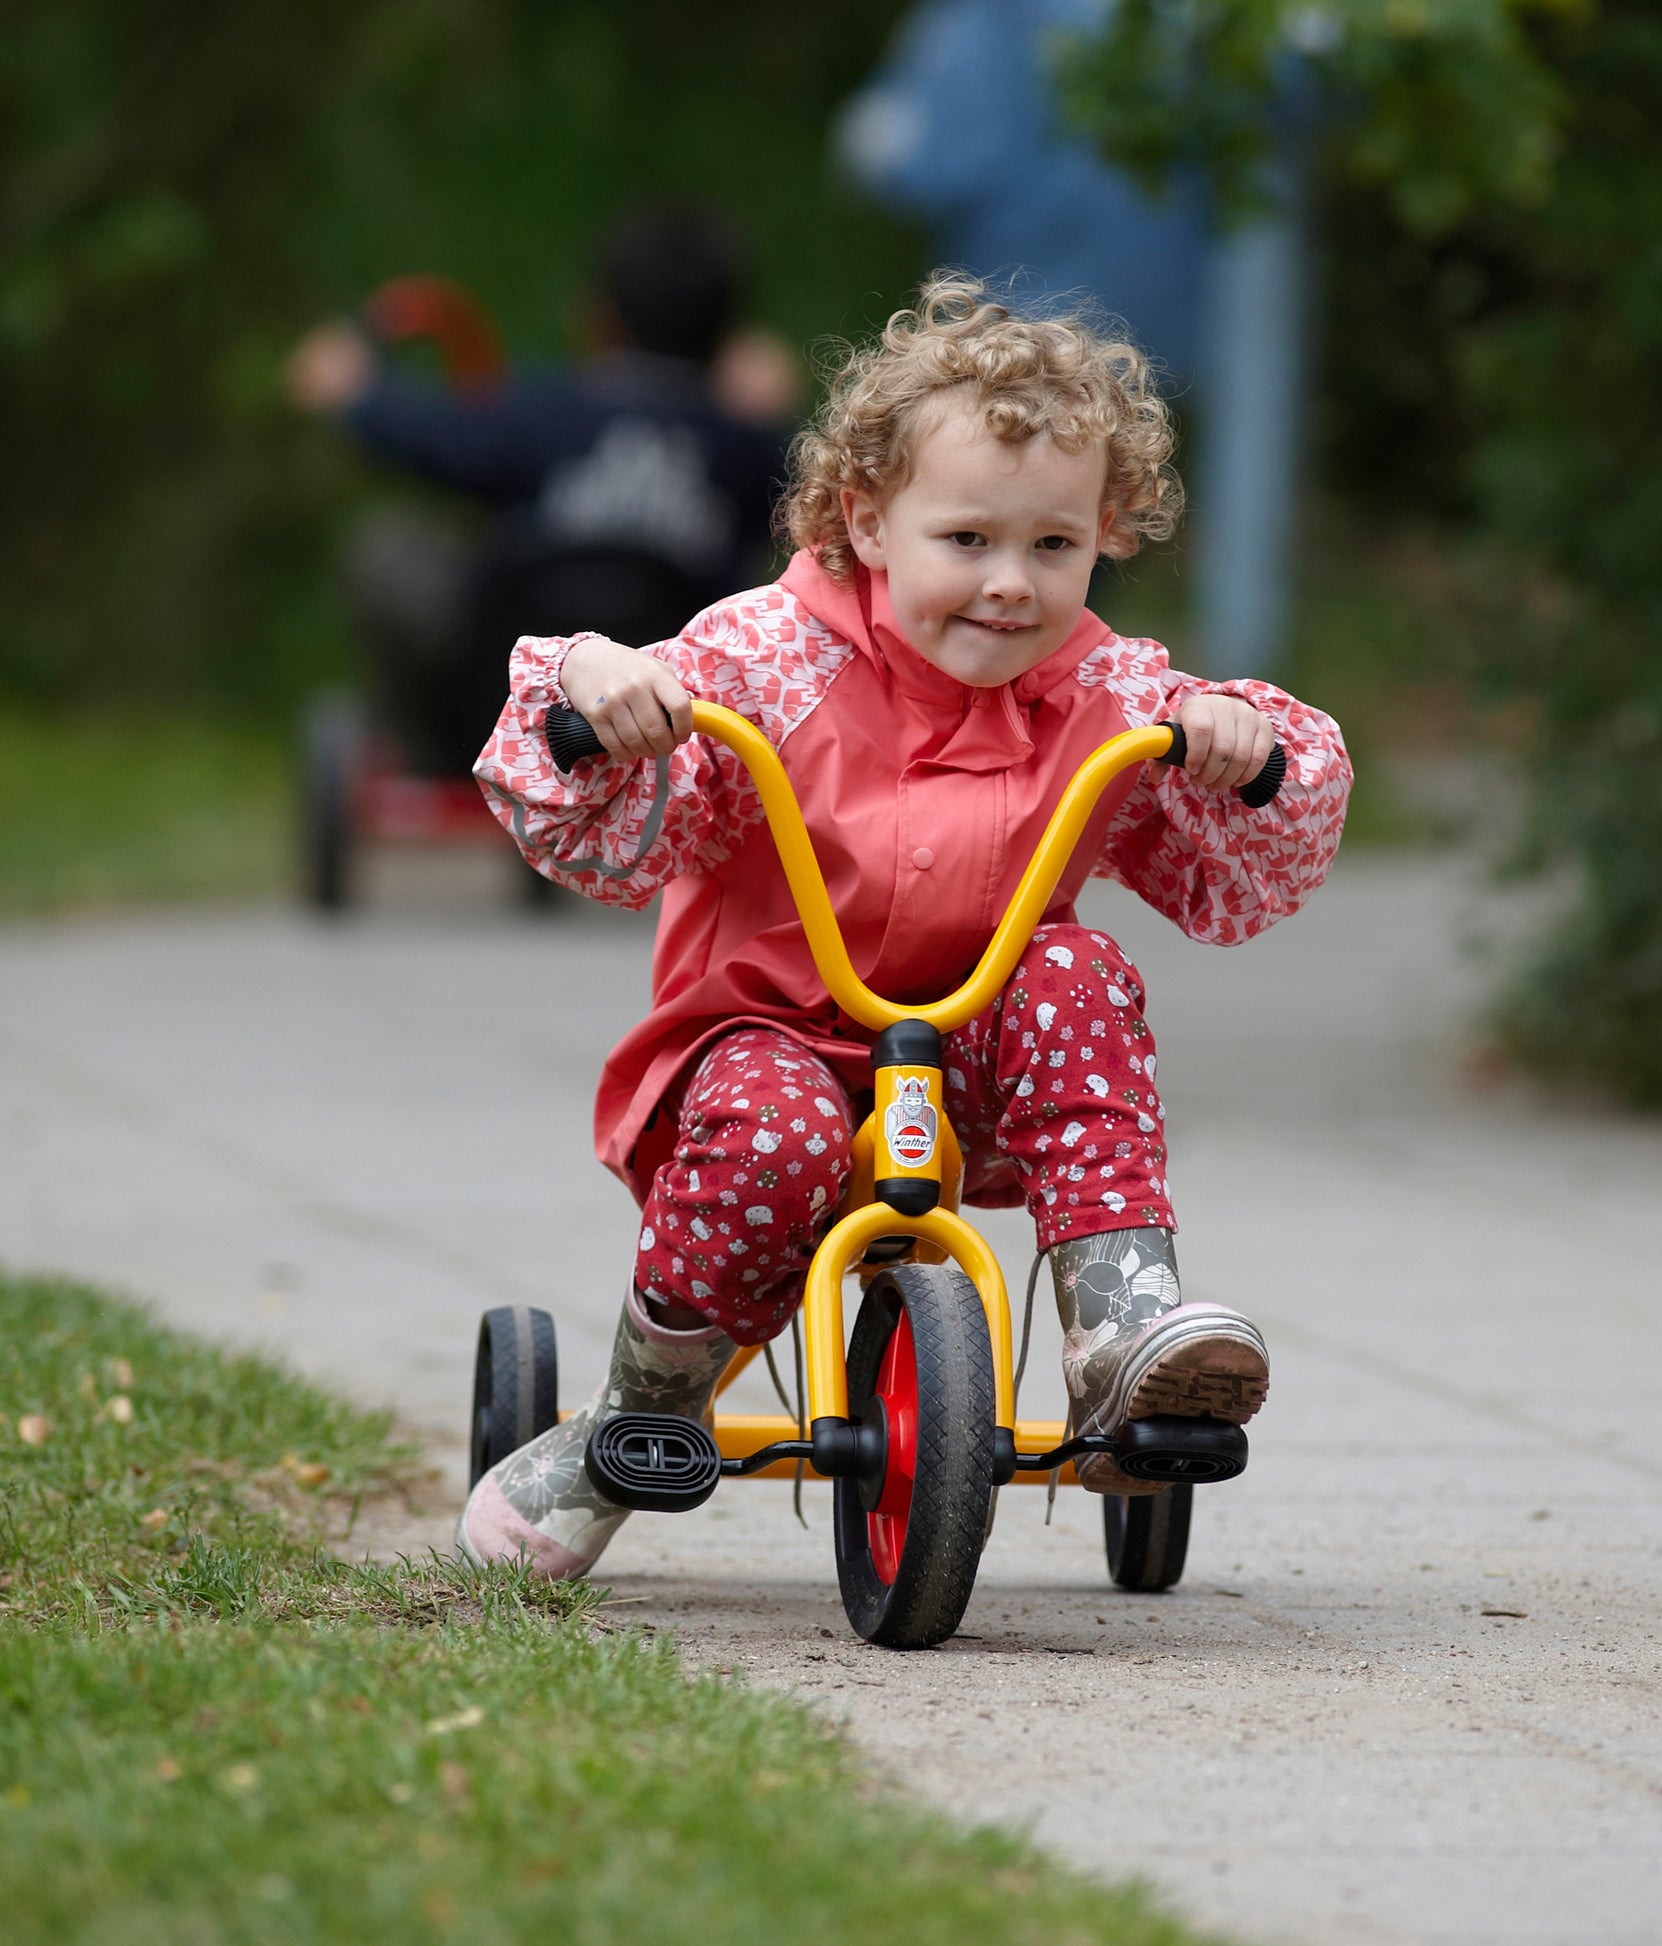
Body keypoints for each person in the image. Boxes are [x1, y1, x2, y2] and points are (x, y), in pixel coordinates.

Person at [457, 276, 1352, 1579]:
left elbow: (1251, 844)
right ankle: (642, 1411)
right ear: (869, 522)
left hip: (981, 1062)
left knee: (1077, 972)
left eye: (1052, 546)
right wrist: (607, 688)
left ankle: (1117, 1332)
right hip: (768, 1038)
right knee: (774, 1133)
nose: (1008, 584)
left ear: (1104, 532)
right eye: (966, 539)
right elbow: (618, 773)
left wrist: (1239, 746)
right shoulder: (767, 658)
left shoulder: (1103, 687)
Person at [288, 204, 794, 774]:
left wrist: (357, 392)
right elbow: (831, 484)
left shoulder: (533, 416)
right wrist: (772, 416)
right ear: (729, 343)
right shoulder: (749, 449)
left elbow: (417, 432)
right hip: (678, 722)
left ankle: (431, 752)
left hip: (502, 706)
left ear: (599, 319)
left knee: (389, 548)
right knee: (779, 586)